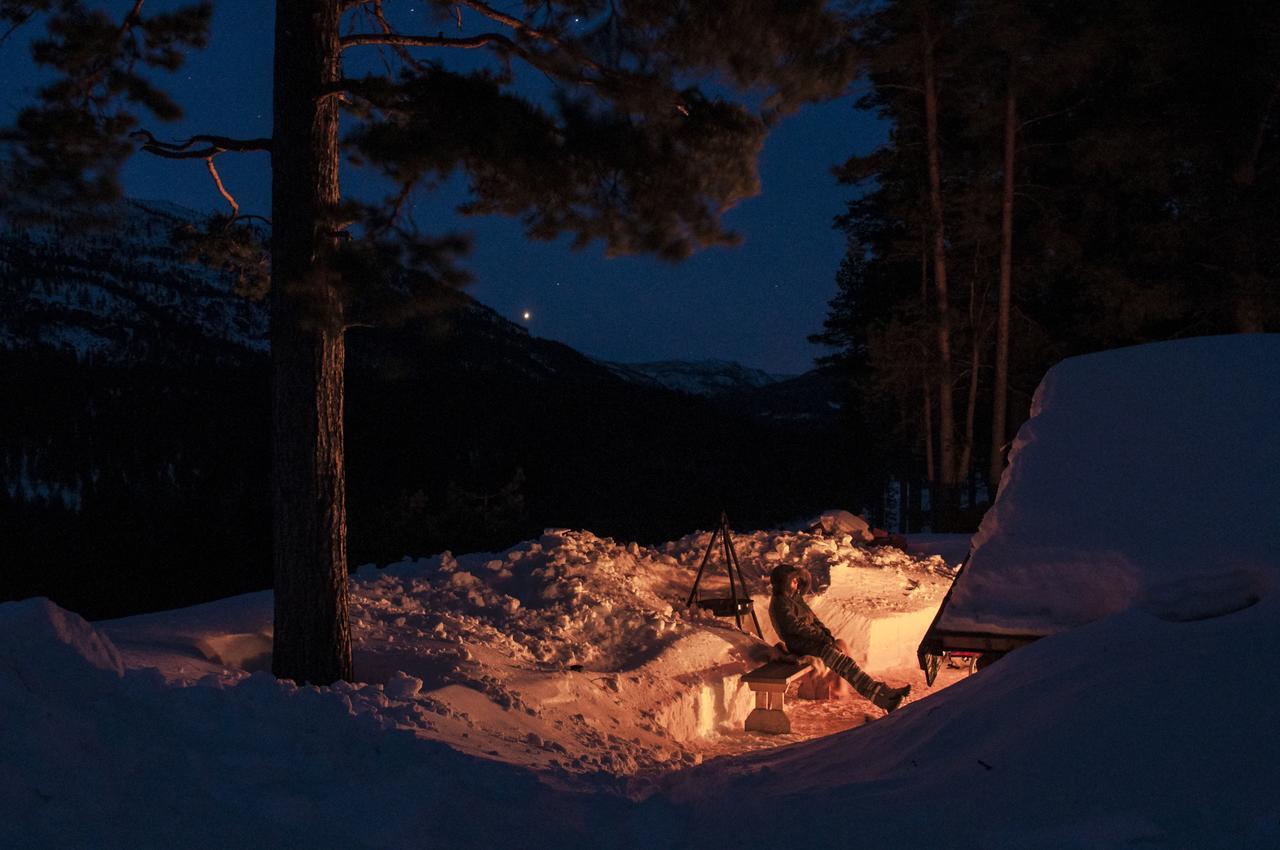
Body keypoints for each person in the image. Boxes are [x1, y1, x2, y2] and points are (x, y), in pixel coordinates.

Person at [768, 563, 911, 713]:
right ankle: (884, 698)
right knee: (846, 666)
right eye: (793, 580)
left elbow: (813, 619)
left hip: (815, 643)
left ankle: (885, 694)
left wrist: (825, 633)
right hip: (801, 645)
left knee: (848, 666)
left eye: (797, 580)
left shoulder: (795, 598)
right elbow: (795, 627)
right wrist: (822, 639)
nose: (797, 583)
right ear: (784, 583)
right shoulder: (780, 603)